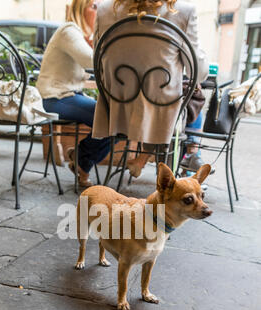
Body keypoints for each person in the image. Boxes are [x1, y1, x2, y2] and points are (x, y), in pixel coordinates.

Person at [92, 0, 209, 178]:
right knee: (192, 98)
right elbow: (198, 73)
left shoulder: (104, 9)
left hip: (117, 107)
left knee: (181, 100)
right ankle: (188, 161)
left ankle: (146, 159)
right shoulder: (184, 11)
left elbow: (97, 61)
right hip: (161, 111)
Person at [37, 0, 111, 187]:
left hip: (67, 95)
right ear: (80, 9)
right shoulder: (69, 31)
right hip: (53, 97)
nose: (99, 11)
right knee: (110, 119)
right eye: (94, 6)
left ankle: (80, 158)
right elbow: (90, 60)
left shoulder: (80, 35)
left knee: (113, 117)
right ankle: (81, 160)